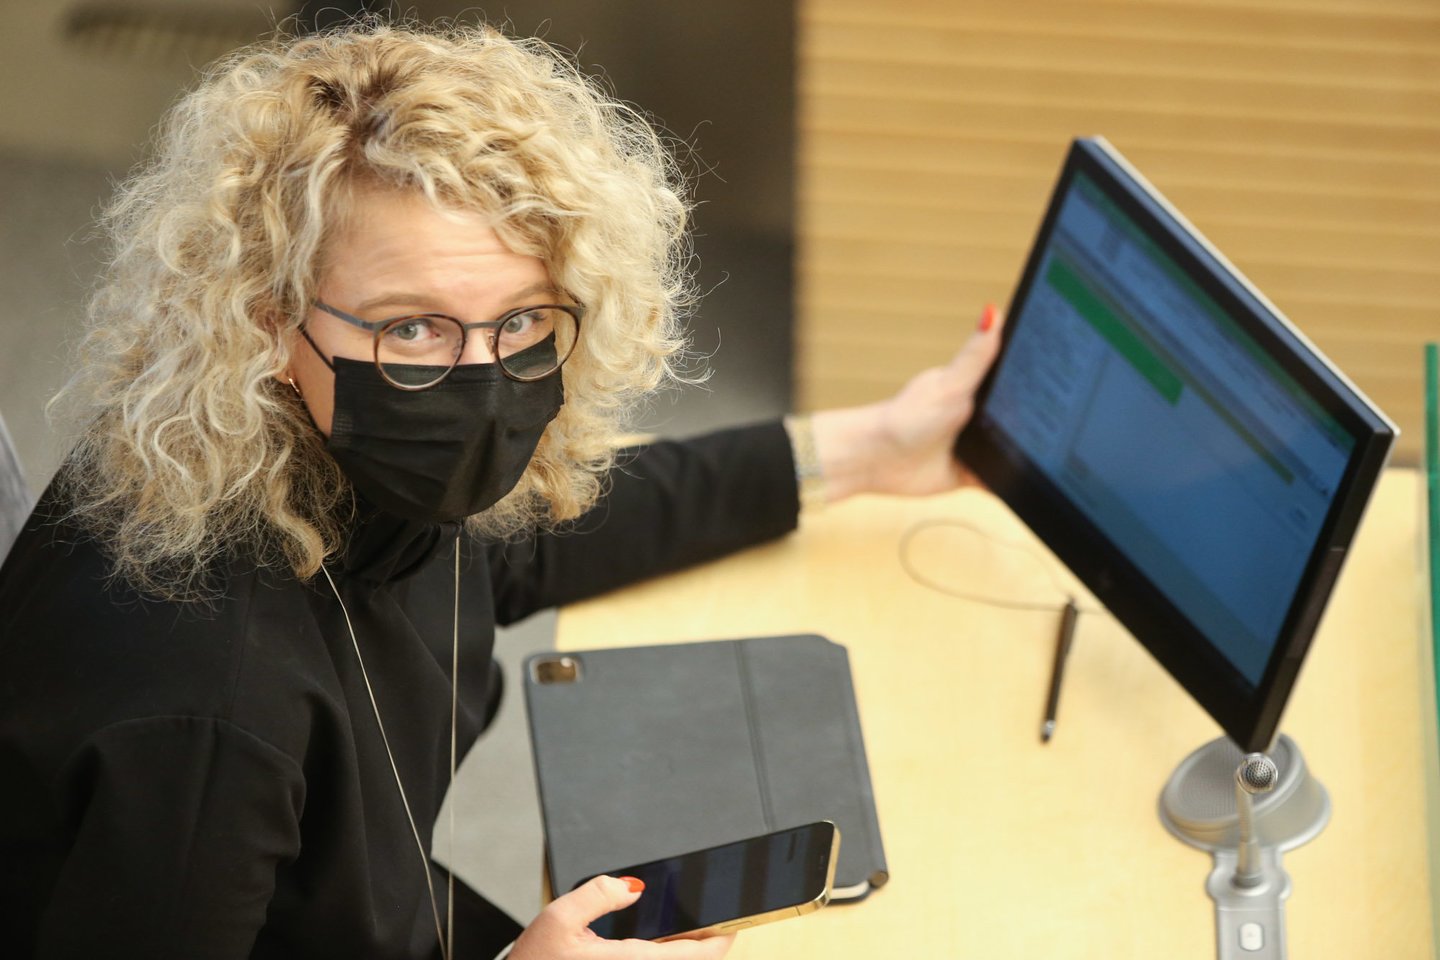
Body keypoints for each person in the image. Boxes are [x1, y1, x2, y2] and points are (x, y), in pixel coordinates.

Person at [0, 20, 1001, 960]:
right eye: (412, 328)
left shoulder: (344, 462)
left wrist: (868, 450)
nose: (481, 387)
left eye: (521, 320)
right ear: (265, 322)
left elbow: (540, 530)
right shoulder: (208, 725)